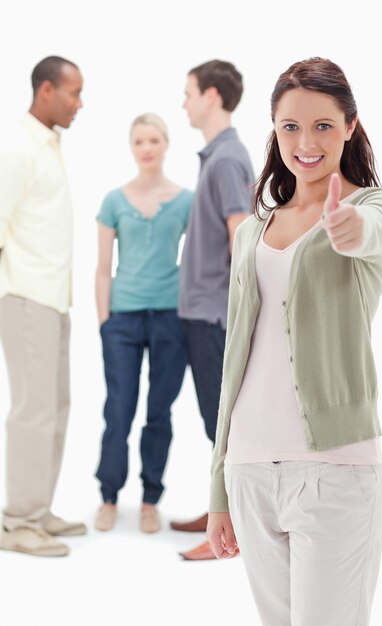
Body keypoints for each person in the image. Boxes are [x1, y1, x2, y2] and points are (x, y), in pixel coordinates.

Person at [206, 56, 382, 625]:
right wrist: (219, 485)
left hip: (335, 472)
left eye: (322, 125)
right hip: (248, 469)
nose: (306, 141)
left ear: (350, 126)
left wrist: (347, 230)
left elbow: (371, 234)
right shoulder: (251, 231)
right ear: (274, 129)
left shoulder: (374, 206)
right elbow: (233, 364)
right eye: (290, 126)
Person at [169, 60, 255, 560]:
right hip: (198, 313)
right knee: (212, 422)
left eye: (188, 92)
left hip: (213, 316)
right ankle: (221, 510)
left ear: (213, 96)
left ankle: (232, 529)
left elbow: (241, 244)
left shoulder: (226, 159)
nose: (184, 102)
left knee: (222, 424)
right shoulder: (217, 156)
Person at [0, 56, 85, 557]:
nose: (80, 103)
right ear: (47, 89)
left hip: (53, 298)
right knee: (33, 412)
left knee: (55, 407)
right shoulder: (17, 144)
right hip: (26, 296)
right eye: (74, 93)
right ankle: (18, 522)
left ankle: (37, 509)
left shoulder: (48, 144)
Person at [94, 113, 192, 534]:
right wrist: (104, 322)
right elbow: (102, 268)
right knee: (119, 411)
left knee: (159, 411)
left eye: (154, 139)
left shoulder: (186, 200)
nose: (147, 148)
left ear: (166, 144)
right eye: (139, 141)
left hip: (171, 317)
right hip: (123, 318)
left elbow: (204, 258)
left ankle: (150, 498)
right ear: (131, 148)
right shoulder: (114, 201)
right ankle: (109, 496)